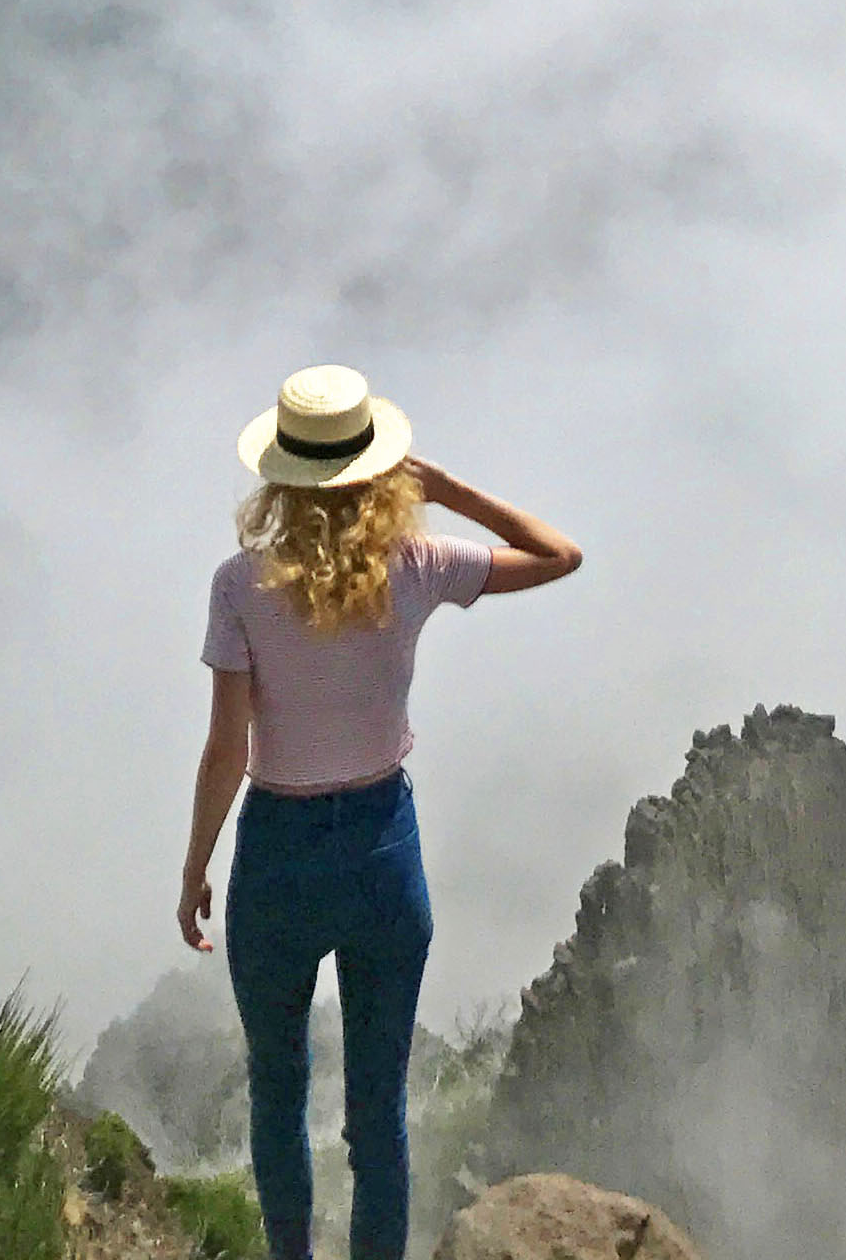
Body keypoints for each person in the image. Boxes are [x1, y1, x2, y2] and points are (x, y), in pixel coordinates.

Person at [179, 364, 583, 1260]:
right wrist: (449, 491)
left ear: (280, 475)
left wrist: (194, 868)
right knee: (378, 1112)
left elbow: (225, 752)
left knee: (278, 1097)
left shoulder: (238, 587)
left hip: (278, 852)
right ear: (380, 470)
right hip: (381, 849)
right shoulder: (419, 565)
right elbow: (561, 555)